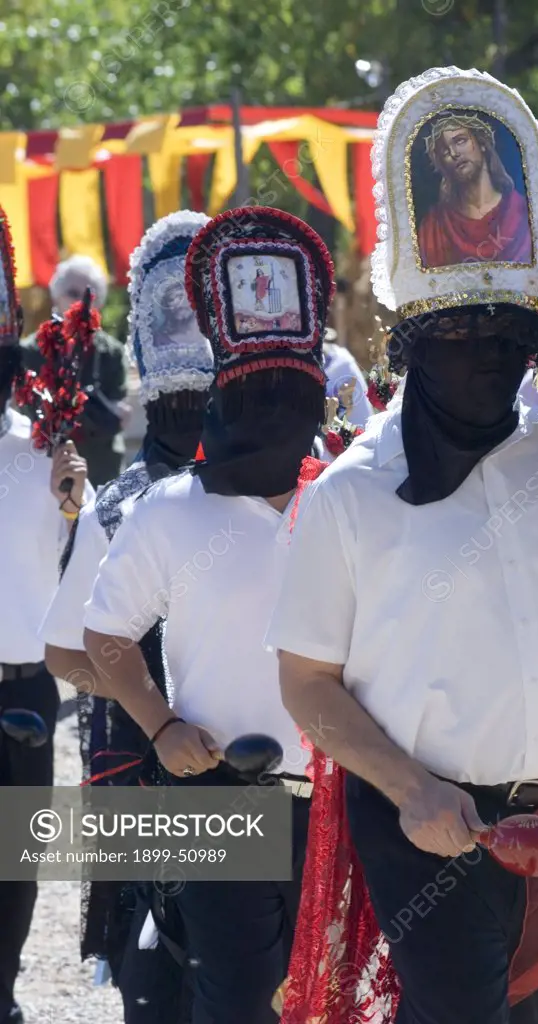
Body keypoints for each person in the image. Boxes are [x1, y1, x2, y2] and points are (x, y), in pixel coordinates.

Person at [266, 67, 538, 1024]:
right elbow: (306, 682)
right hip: (427, 836)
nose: (485, 352)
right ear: (412, 338)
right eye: (457, 331)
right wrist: (411, 789)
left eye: (506, 333)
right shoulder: (353, 492)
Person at [82, 206, 337, 1024]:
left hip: (337, 795)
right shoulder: (164, 510)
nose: (270, 409)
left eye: (286, 392)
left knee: (320, 996)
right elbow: (102, 636)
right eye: (252, 391)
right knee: (234, 1004)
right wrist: (159, 728)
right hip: (209, 798)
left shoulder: (347, 502)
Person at [38, 211, 213, 1022]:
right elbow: (65, 654)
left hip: (217, 776)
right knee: (182, 987)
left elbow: (67, 656)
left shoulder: (290, 490)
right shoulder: (120, 505)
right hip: (176, 783)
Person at [0, 207, 91, 1024]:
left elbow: (87, 553)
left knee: (17, 863)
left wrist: (75, 498)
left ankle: (5, 990)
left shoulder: (44, 448)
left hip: (29, 690)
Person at [21, 255, 129, 487]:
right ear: (56, 295)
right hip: (43, 475)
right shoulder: (30, 352)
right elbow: (22, 415)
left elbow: (118, 413)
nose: (80, 302)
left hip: (100, 471)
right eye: (72, 293)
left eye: (89, 295)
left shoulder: (111, 353)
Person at [417, 112, 531, 267]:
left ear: (481, 143)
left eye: (460, 141)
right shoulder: (434, 227)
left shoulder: (520, 211)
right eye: (444, 152)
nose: (454, 153)